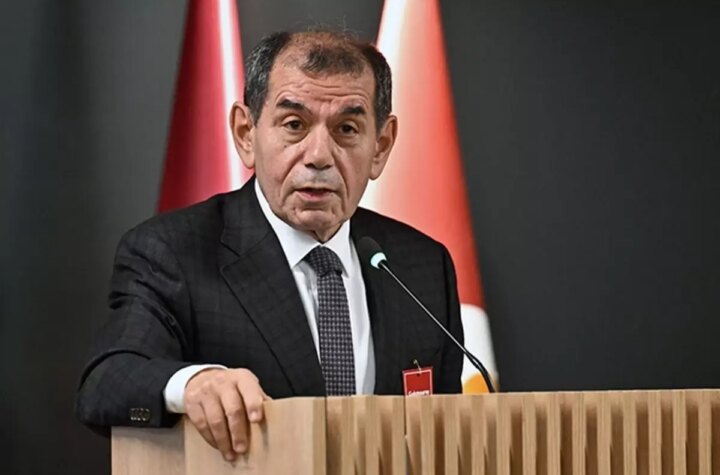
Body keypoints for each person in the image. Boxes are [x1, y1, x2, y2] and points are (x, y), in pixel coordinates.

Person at [75, 29, 463, 462]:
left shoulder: (421, 266)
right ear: (246, 133)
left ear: (380, 146)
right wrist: (193, 383)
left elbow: (444, 436)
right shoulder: (174, 252)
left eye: (347, 129)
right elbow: (107, 381)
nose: (319, 155)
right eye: (294, 125)